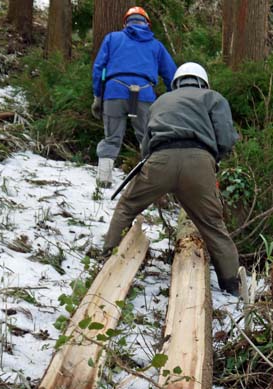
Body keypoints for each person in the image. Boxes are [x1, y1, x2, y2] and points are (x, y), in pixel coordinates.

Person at [103, 62, 242, 295]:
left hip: (160, 160)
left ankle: (107, 255)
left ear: (176, 82)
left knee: (127, 206)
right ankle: (232, 286)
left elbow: (145, 144)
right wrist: (213, 158)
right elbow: (226, 138)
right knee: (213, 226)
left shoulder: (160, 101)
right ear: (203, 81)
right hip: (199, 162)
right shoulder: (213, 98)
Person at [91, 6, 177, 187]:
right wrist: (175, 99)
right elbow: (171, 74)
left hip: (114, 92)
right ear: (147, 23)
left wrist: (98, 95)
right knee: (147, 140)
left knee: (112, 138)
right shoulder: (156, 45)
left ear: (126, 23)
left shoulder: (112, 39)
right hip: (144, 94)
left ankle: (103, 181)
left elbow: (99, 68)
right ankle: (151, 182)